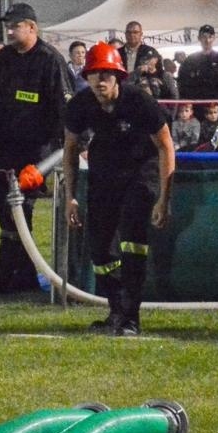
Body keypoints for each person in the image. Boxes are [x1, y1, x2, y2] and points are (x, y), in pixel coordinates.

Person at [63, 42, 172, 336]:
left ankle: (131, 318)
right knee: (100, 248)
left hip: (140, 172)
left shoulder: (139, 101)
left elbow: (165, 145)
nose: (100, 81)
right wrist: (71, 197)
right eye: (93, 74)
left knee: (132, 242)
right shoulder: (80, 105)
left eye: (106, 74)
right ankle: (117, 310)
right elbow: (70, 148)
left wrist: (164, 197)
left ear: (118, 76)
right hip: (104, 174)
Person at [0, 2, 68, 294]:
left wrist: (55, 152)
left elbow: (63, 110)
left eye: (15, 26)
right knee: (6, 211)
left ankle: (8, 277)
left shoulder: (50, 60)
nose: (9, 31)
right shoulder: (4, 58)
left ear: (32, 27)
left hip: (34, 152)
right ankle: (22, 276)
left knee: (20, 209)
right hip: (2, 149)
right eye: (7, 26)